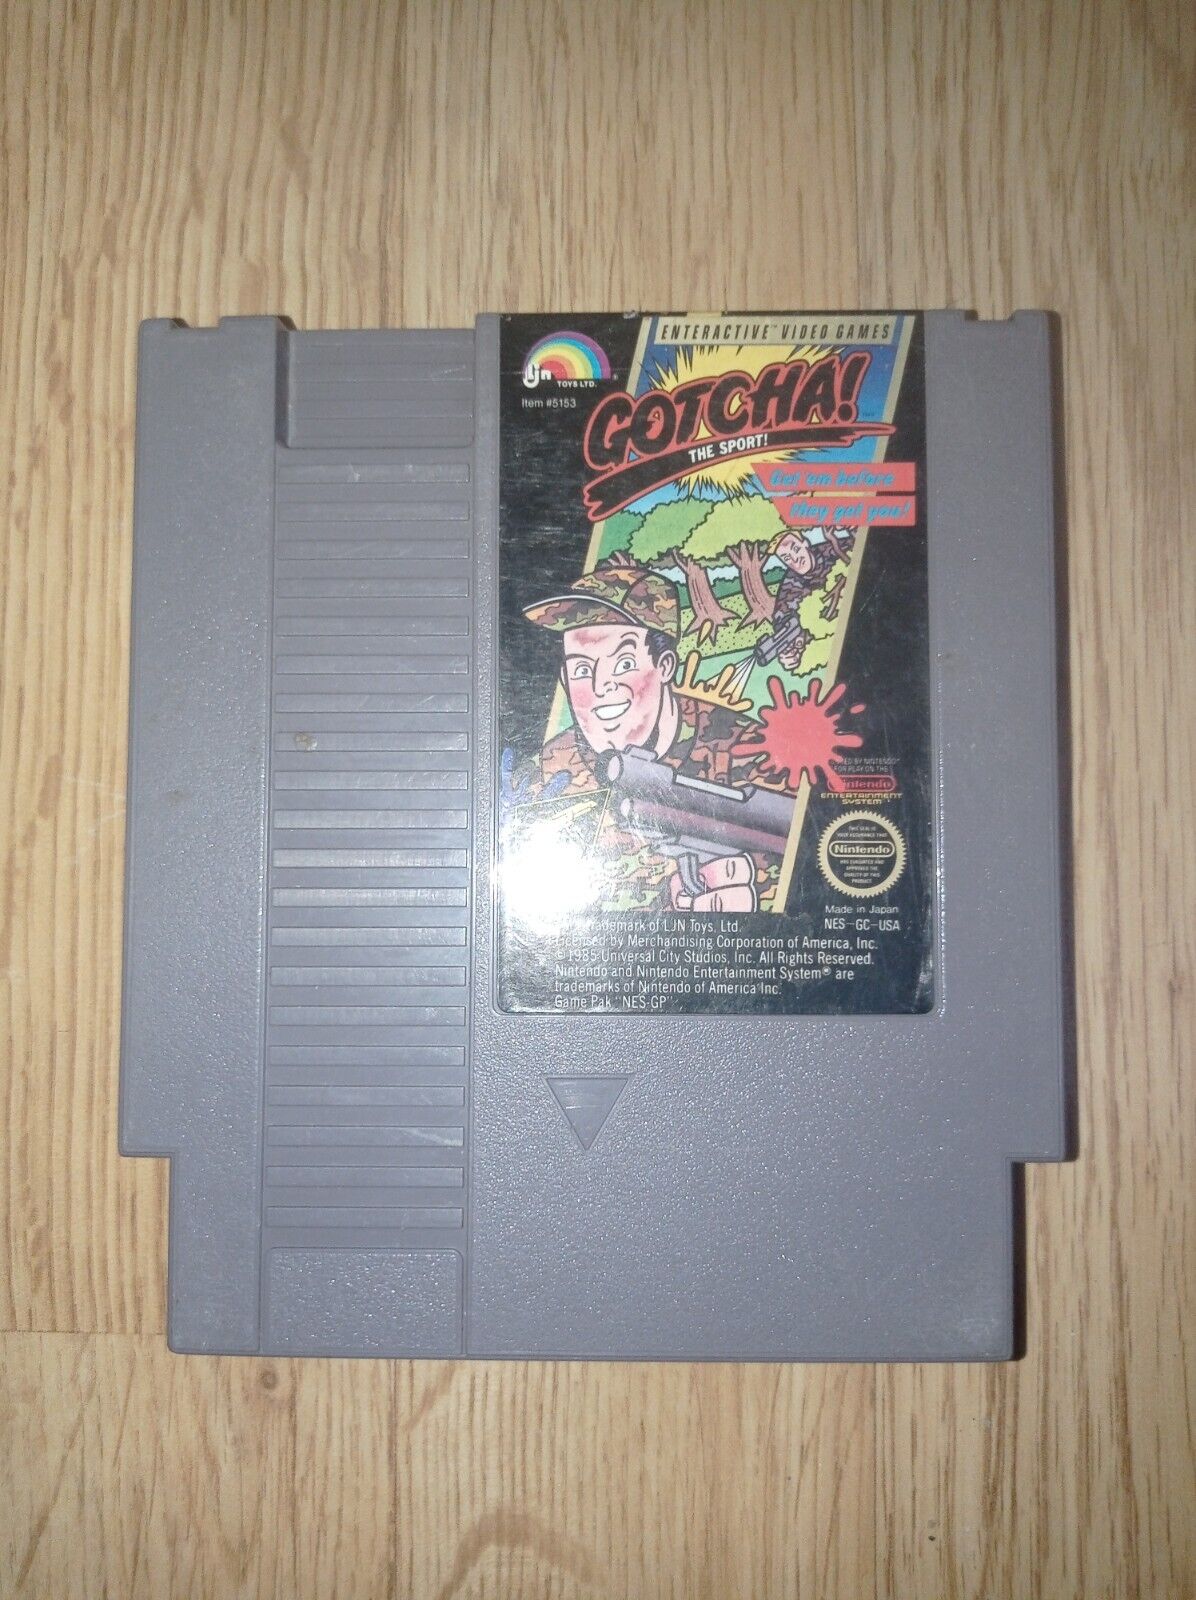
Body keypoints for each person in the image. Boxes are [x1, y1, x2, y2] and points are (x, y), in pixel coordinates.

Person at [520, 556, 770, 911]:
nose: (600, 686)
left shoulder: (751, 752)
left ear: (664, 666)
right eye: (581, 670)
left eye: (623, 664)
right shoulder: (547, 771)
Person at [767, 526, 855, 672]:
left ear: (805, 543)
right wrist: (788, 646)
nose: (795, 559)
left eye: (795, 549)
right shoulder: (791, 582)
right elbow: (782, 615)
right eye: (787, 558)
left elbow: (859, 548)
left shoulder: (829, 550)